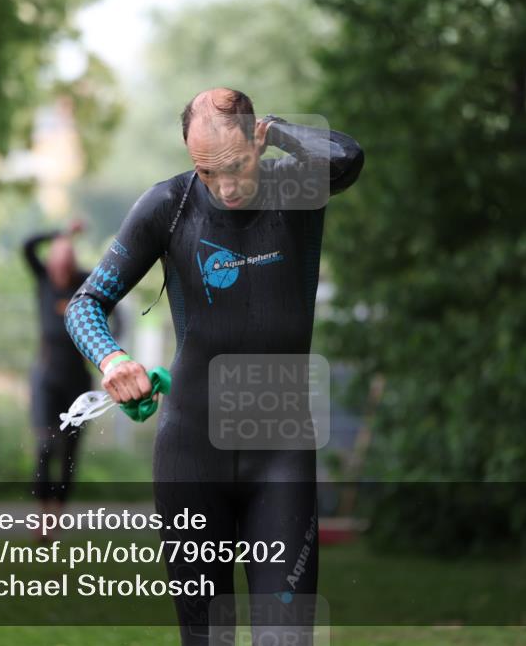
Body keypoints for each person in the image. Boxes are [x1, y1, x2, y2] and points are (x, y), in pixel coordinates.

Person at [65, 88, 364, 644]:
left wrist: (276, 131)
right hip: (191, 455)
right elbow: (85, 305)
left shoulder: (295, 187)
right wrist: (112, 357)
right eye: (207, 171)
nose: (224, 187)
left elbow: (349, 158)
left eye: (236, 166)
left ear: (257, 139)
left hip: (280, 453)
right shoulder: (168, 205)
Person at [23, 220, 92, 538]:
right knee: (45, 445)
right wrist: (61, 233)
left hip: (77, 380)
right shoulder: (43, 280)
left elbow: (115, 308)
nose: (61, 269)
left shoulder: (84, 281)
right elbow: (27, 246)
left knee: (69, 450)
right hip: (47, 378)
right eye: (56, 262)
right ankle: (42, 514)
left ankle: (57, 514)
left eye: (66, 263)